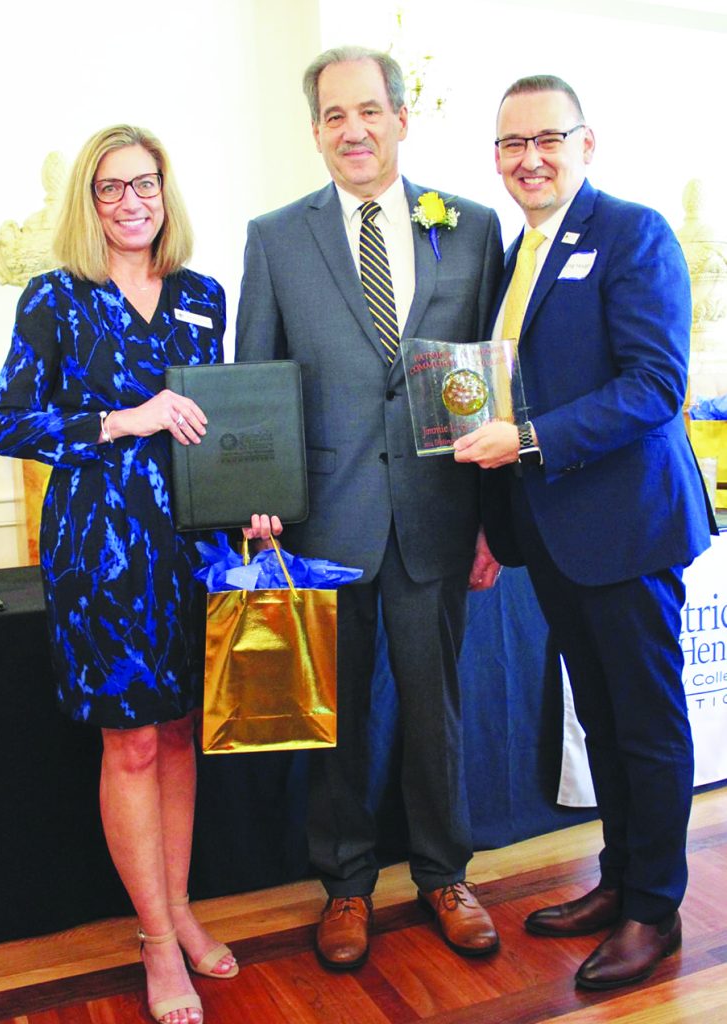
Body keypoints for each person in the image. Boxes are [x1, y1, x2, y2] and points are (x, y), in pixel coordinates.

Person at [0, 124, 281, 1024]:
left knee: (183, 732)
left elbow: (226, 420)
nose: (130, 201)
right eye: (110, 187)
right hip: (102, 554)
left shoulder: (201, 293)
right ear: (89, 200)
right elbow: (13, 424)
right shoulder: (53, 297)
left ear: (166, 191)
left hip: (194, 547)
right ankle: (156, 941)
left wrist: (257, 496)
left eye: (144, 184)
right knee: (134, 742)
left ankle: (182, 909)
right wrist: (125, 419)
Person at [235, 46, 504, 971]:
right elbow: (257, 386)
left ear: (399, 118)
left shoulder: (468, 228)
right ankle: (345, 887)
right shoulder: (274, 237)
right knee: (338, 716)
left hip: (437, 518)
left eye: (367, 112)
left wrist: (490, 523)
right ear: (314, 130)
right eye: (332, 116)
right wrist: (263, 508)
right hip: (324, 525)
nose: (351, 130)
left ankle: (443, 875)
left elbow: (491, 381)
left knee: (437, 712)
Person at [454, 75, 717, 990]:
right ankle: (618, 879)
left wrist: (526, 440)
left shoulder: (632, 233)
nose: (527, 158)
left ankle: (656, 912)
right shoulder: (513, 255)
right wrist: (494, 519)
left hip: (627, 529)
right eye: (508, 144)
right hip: (551, 533)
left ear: (585, 143)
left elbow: (654, 386)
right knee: (600, 720)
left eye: (545, 139)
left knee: (644, 724)